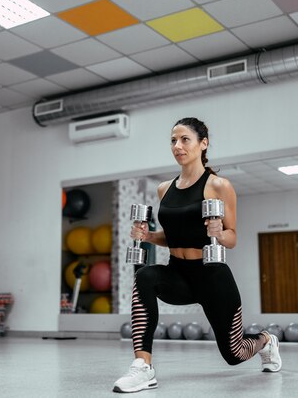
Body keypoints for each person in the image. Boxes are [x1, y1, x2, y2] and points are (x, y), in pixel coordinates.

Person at [113, 117, 282, 393]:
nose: (177, 146)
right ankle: (143, 367)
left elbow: (233, 237)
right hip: (177, 273)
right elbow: (174, 237)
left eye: (184, 139)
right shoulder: (164, 189)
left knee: (234, 353)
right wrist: (148, 237)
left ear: (203, 144)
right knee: (144, 276)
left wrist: (218, 231)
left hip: (212, 277)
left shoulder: (219, 186)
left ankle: (266, 341)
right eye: (173, 140)